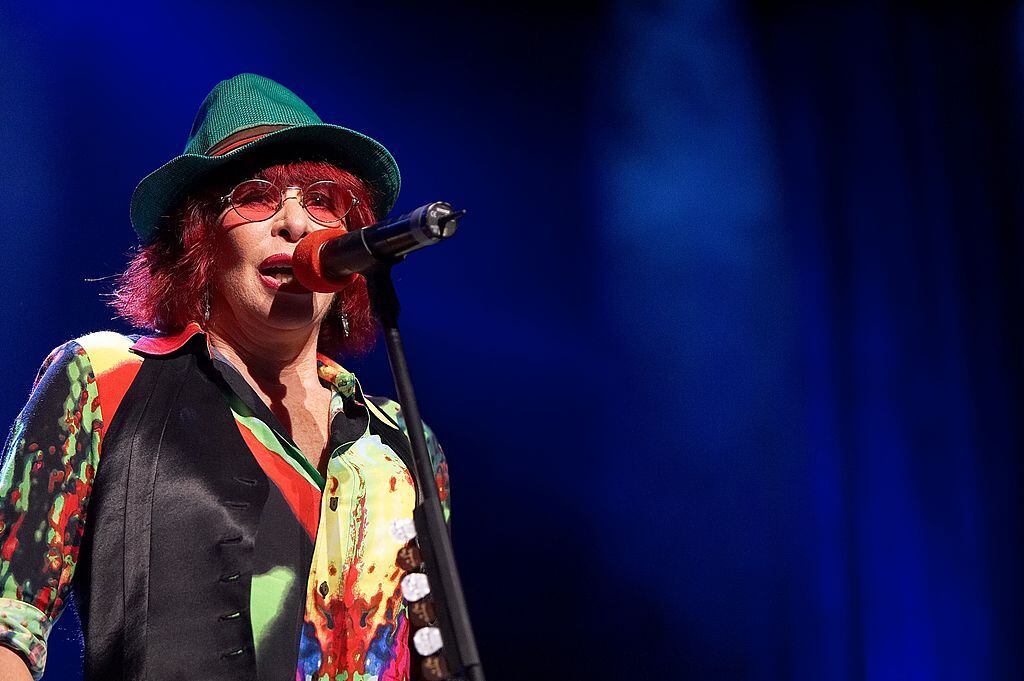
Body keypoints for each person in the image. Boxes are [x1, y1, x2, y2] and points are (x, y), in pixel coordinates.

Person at [0, 73, 450, 681]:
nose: (295, 224)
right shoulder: (103, 380)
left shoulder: (402, 446)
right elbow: (10, 621)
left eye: (322, 200)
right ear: (201, 238)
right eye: (257, 195)